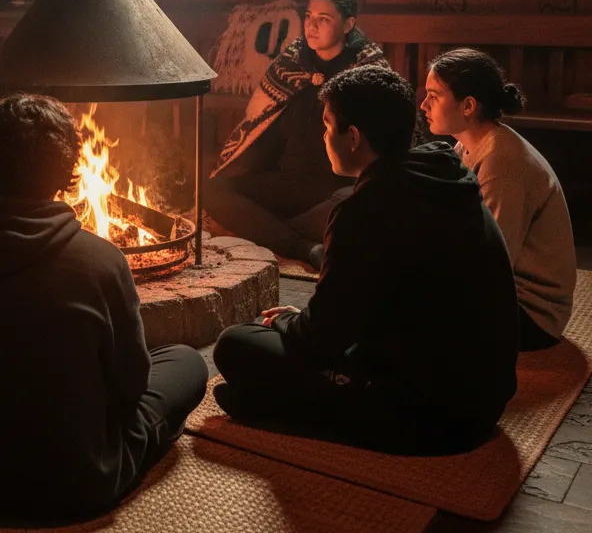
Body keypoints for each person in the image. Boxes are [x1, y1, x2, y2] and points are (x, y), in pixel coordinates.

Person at [0, 93, 209, 520]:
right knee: (186, 362)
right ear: (69, 170)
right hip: (75, 482)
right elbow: (131, 384)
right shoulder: (100, 261)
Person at [213, 66, 518, 454]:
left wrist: (293, 323)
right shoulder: (448, 174)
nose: (324, 137)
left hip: (429, 414)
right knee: (278, 342)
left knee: (235, 344)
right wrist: (307, 322)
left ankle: (285, 410)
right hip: (485, 398)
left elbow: (322, 342)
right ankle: (275, 402)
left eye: (327, 127)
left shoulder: (365, 210)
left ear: (353, 137)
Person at [205, 0, 389, 267]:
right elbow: (258, 125)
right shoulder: (289, 64)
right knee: (213, 191)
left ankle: (270, 229)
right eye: (308, 17)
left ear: (348, 24)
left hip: (337, 185)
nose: (311, 26)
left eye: (323, 20)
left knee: (354, 209)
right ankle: (306, 248)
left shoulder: (367, 72)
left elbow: (383, 144)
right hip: (288, 180)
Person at [423, 48, 576, 351]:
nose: (423, 104)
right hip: (495, 293)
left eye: (434, 96)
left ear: (468, 105)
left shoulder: (502, 164)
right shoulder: (467, 146)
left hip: (529, 313)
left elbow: (491, 262)